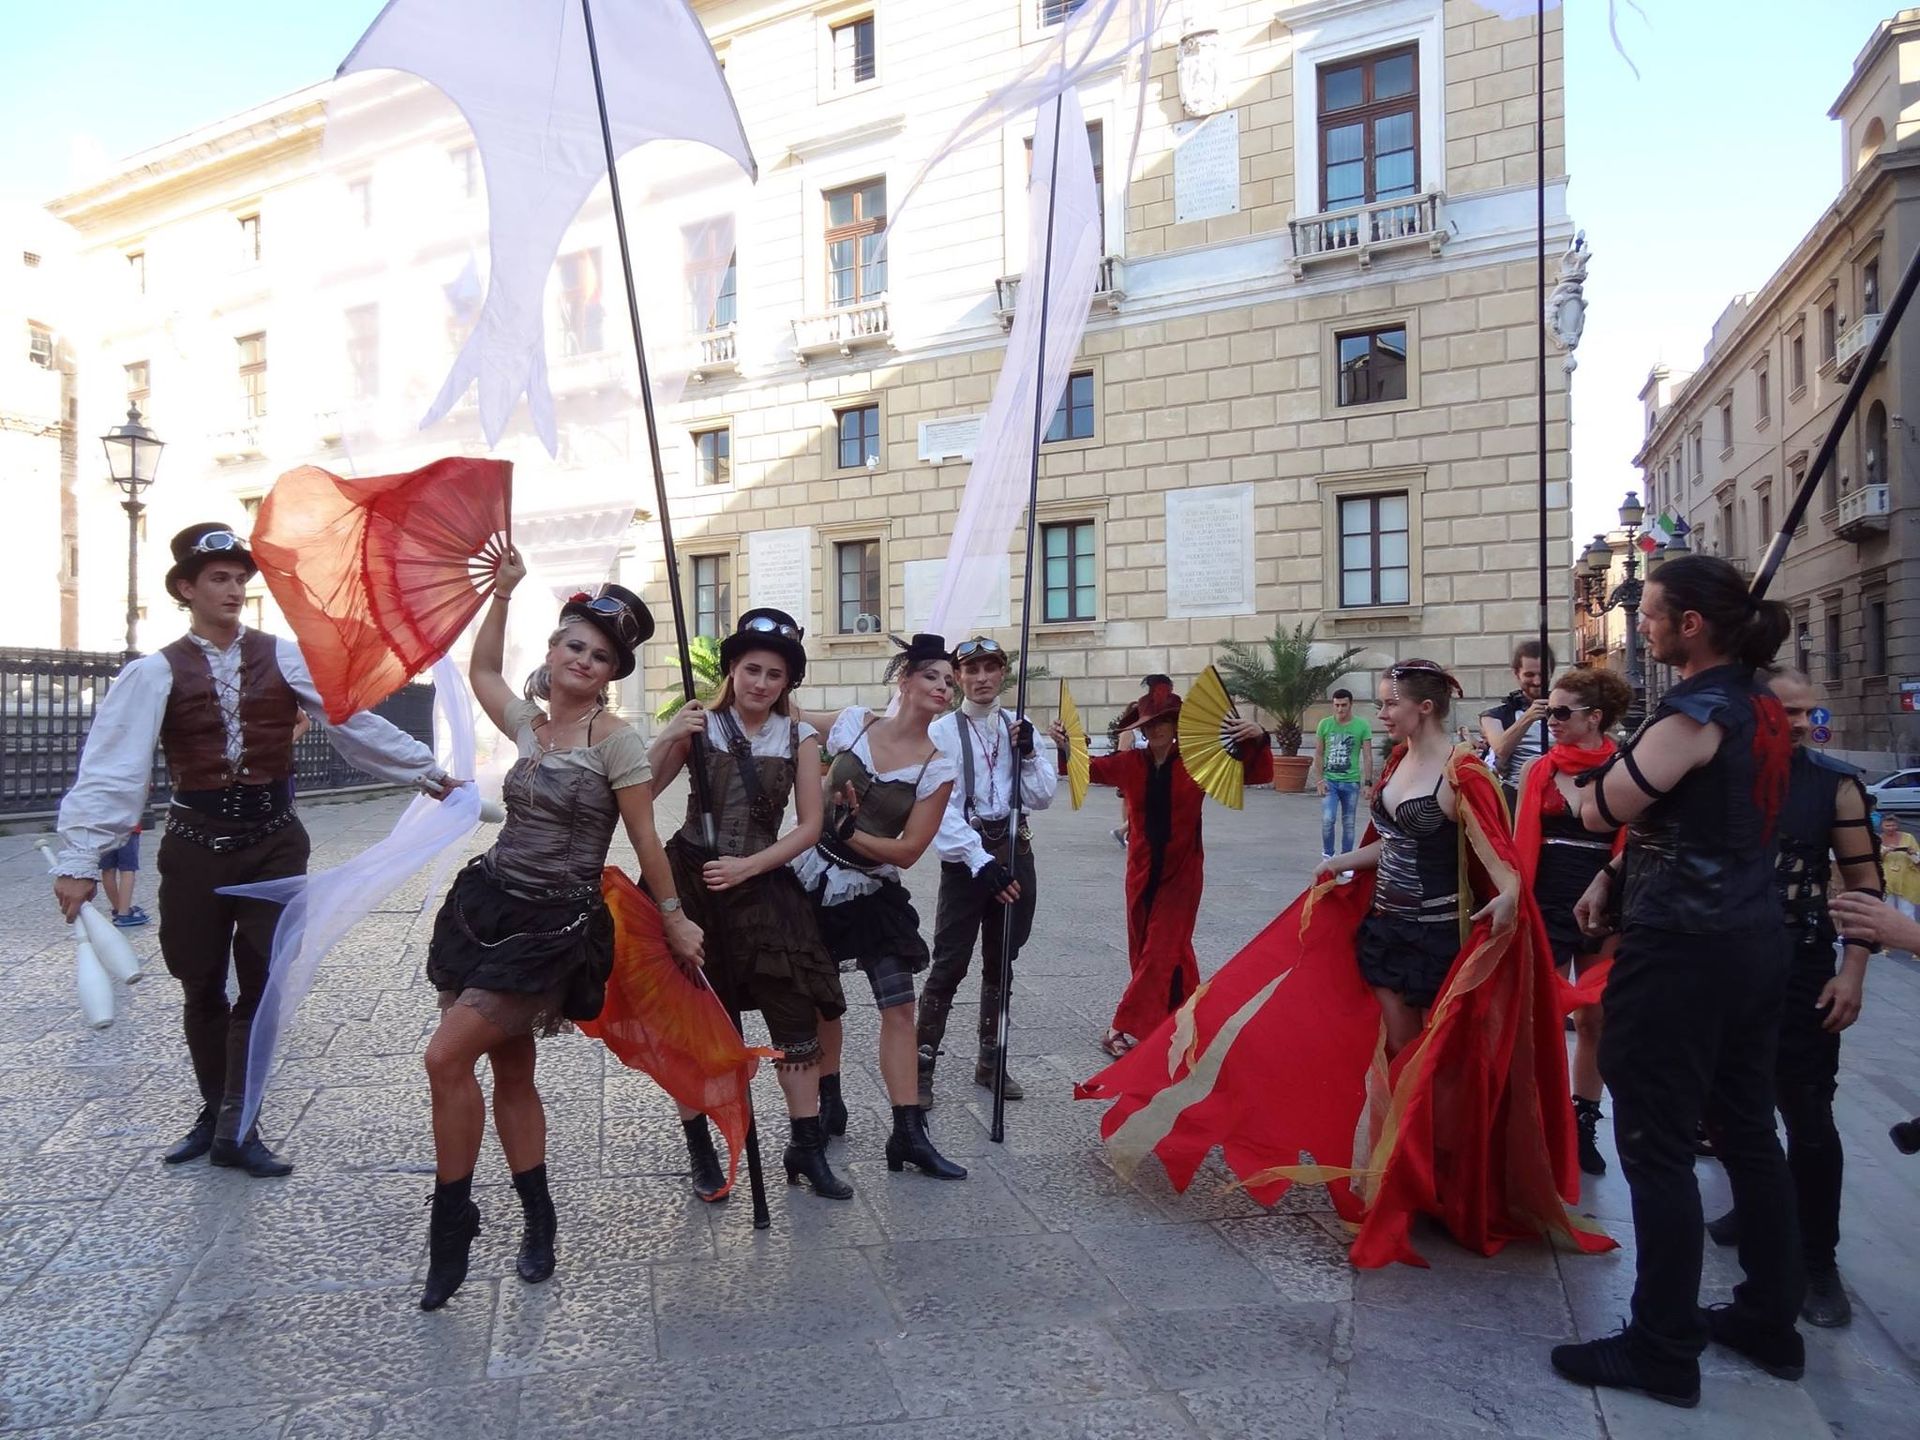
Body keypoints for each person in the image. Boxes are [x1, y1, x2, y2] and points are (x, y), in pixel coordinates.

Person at [1079, 659, 1609, 1270]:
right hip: (1384, 928)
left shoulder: (1463, 772)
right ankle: (1399, 1173)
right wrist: (1342, 862)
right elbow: (1392, 843)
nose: (1380, 713)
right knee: (1395, 1054)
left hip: (1436, 939)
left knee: (1431, 1062)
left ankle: (1434, 1178)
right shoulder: (1398, 761)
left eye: (1389, 703)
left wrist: (1510, 897)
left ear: (1424, 707)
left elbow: (1497, 857)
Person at [51, 522, 455, 1179]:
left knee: (262, 984)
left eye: (240, 579)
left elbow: (348, 719)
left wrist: (427, 772)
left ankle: (239, 1125)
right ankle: (217, 1114)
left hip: (272, 844)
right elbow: (112, 767)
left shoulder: (285, 657)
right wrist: (79, 861)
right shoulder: (153, 673)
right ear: (187, 588)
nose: (234, 589)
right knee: (201, 984)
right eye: (219, 578)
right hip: (194, 848)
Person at [1548, 554, 1801, 1410]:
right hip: (1752, 936)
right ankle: (1770, 1317)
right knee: (1748, 1130)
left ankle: (1661, 1345)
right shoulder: (1762, 706)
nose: (1643, 625)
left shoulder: (1696, 711)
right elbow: (1699, 816)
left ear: (1691, 625)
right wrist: (1614, 875)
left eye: (1652, 613)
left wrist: (1581, 780)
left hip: (1684, 948)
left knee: (1656, 1142)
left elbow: (1604, 806)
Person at [417, 557, 699, 1310]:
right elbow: (482, 670)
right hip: (486, 908)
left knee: (445, 1056)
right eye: (575, 645)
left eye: (600, 655)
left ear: (610, 673)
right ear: (554, 649)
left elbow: (644, 838)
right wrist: (502, 593)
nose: (583, 660)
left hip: (552, 928)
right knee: (510, 1071)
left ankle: (453, 1220)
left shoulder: (617, 742)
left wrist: (675, 917)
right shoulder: (530, 724)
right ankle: (538, 1218)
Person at [647, 608, 851, 1201]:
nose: (761, 683)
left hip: (762, 882)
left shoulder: (798, 737)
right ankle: (701, 1148)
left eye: (774, 674)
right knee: (692, 1019)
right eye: (752, 670)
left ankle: (805, 1147)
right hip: (692, 882)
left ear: (788, 682)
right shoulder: (699, 725)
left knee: (796, 1013)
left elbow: (809, 826)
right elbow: (642, 790)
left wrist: (749, 866)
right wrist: (668, 736)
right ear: (732, 670)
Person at [1702, 668, 1879, 1329]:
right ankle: (1757, 1208)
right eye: (1788, 711)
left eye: (1809, 712)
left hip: (1801, 967)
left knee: (1807, 1114)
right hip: (1725, 962)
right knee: (1726, 1104)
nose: (1801, 724)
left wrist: (1852, 972)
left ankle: (1818, 1260)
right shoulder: (1718, 775)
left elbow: (1864, 885)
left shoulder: (1833, 784)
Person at [792, 634, 967, 1180]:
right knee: (822, 1001)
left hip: (872, 892)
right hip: (812, 878)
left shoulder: (936, 766)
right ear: (905, 680)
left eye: (949, 681)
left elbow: (910, 851)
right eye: (932, 676)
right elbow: (791, 717)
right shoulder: (853, 724)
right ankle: (829, 1102)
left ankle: (908, 1132)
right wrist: (781, 661)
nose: (943, 687)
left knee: (899, 1007)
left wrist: (852, 834)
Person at [1051, 675, 1271, 1058]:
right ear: (1141, 728)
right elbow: (1086, 768)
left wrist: (1258, 737)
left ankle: (1122, 1026)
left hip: (1182, 874)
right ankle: (1185, 1017)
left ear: (1176, 725)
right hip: (1140, 872)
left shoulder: (1198, 763)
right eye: (1150, 723)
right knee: (1151, 949)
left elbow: (1254, 773)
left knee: (1161, 948)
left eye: (1165, 722)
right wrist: (1066, 744)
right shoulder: (1130, 763)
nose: (1157, 729)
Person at [917, 636, 1058, 1108]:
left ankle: (991, 1061)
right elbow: (940, 807)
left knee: (1002, 960)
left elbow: (1041, 797)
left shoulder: (1021, 728)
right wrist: (979, 862)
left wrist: (1030, 754)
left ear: (1002, 673)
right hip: (966, 862)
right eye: (971, 670)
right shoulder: (941, 733)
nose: (981, 678)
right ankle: (921, 1067)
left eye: (990, 668)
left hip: (1015, 852)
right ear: (958, 677)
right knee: (950, 962)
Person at [1512, 665, 1634, 1177]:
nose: (1553, 720)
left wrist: (1612, 892)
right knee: (1538, 1016)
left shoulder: (1627, 770)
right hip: (1545, 899)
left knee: (1594, 1018)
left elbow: (1636, 839)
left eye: (1562, 712)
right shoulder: (1539, 770)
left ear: (1595, 717)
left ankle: (1583, 1121)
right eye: (1549, 711)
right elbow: (1520, 841)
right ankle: (1538, 1120)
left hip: (1604, 902)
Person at [1481, 639, 1554, 805]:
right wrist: (1528, 717)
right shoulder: (1496, 716)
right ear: (1517, 673)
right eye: (1529, 675)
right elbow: (1500, 749)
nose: (1537, 681)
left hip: (1559, 794)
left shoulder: (1566, 710)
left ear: (1551, 673)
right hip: (1516, 797)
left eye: (1543, 674)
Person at [1310, 688, 1374, 869]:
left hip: (1351, 782)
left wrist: (1368, 783)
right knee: (1328, 819)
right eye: (1337, 705)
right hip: (1329, 781)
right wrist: (1319, 780)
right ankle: (1328, 856)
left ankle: (1346, 861)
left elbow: (1368, 756)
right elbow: (1319, 754)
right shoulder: (1324, 724)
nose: (1340, 709)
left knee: (1349, 823)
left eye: (1344, 705)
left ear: (1351, 704)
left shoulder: (1362, 726)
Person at [1877, 812, 1920, 957]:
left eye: (1893, 825)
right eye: (1887, 825)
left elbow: (1918, 861)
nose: (1891, 828)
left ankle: (1915, 947)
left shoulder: (1908, 837)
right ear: (1882, 826)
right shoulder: (1877, 839)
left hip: (1906, 881)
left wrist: (1912, 853)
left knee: (1907, 914)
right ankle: (1886, 945)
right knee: (1887, 914)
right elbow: (1874, 860)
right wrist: (1884, 852)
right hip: (1886, 882)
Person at [99, 824, 148, 928]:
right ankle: (124, 913)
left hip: (104, 829)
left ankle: (118, 908)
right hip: (128, 827)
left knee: (108, 869)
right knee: (127, 869)